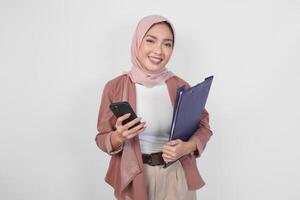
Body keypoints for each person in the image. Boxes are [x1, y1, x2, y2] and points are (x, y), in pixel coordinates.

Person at [95, 15, 213, 200]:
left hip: (176, 177)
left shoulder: (180, 86)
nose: (159, 50)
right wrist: (118, 137)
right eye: (150, 40)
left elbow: (204, 127)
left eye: (167, 44)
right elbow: (102, 138)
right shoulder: (115, 87)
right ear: (137, 42)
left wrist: (187, 147)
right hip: (134, 177)